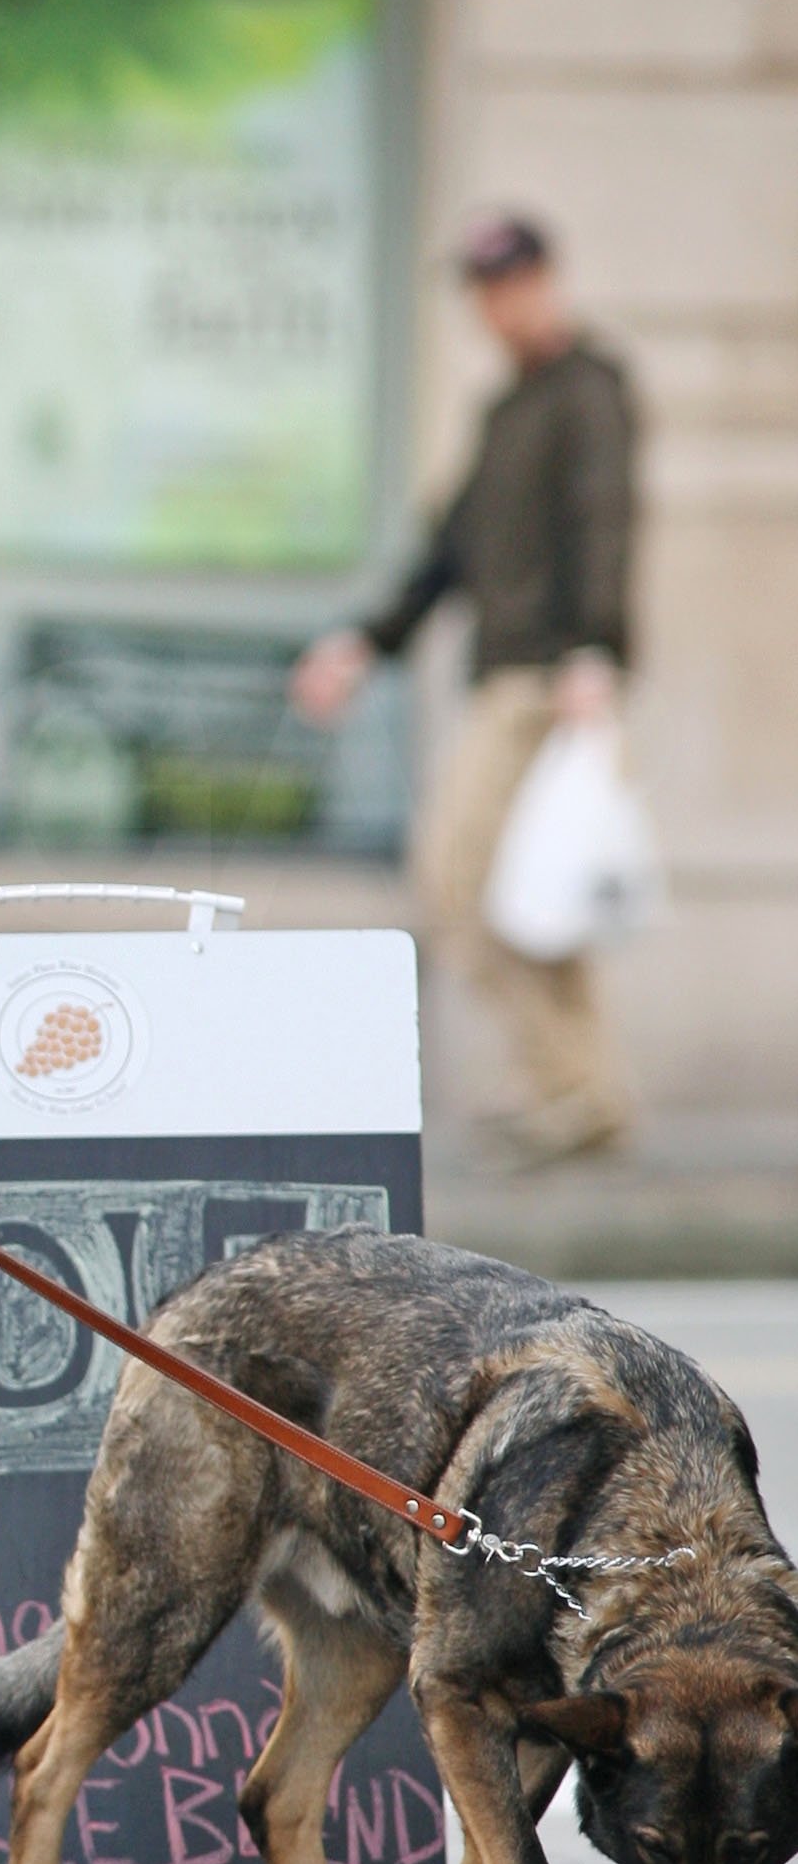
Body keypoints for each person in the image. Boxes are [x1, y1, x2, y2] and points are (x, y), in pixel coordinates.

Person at [291, 213, 637, 1165]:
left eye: (511, 280)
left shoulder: (589, 392)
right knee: (532, 894)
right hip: (517, 674)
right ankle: (580, 1091)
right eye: (483, 288)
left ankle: (573, 1087)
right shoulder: (505, 412)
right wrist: (364, 643)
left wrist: (594, 651)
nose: (497, 303)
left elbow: (602, 521)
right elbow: (449, 553)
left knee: (460, 878)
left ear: (547, 278)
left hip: (551, 678)